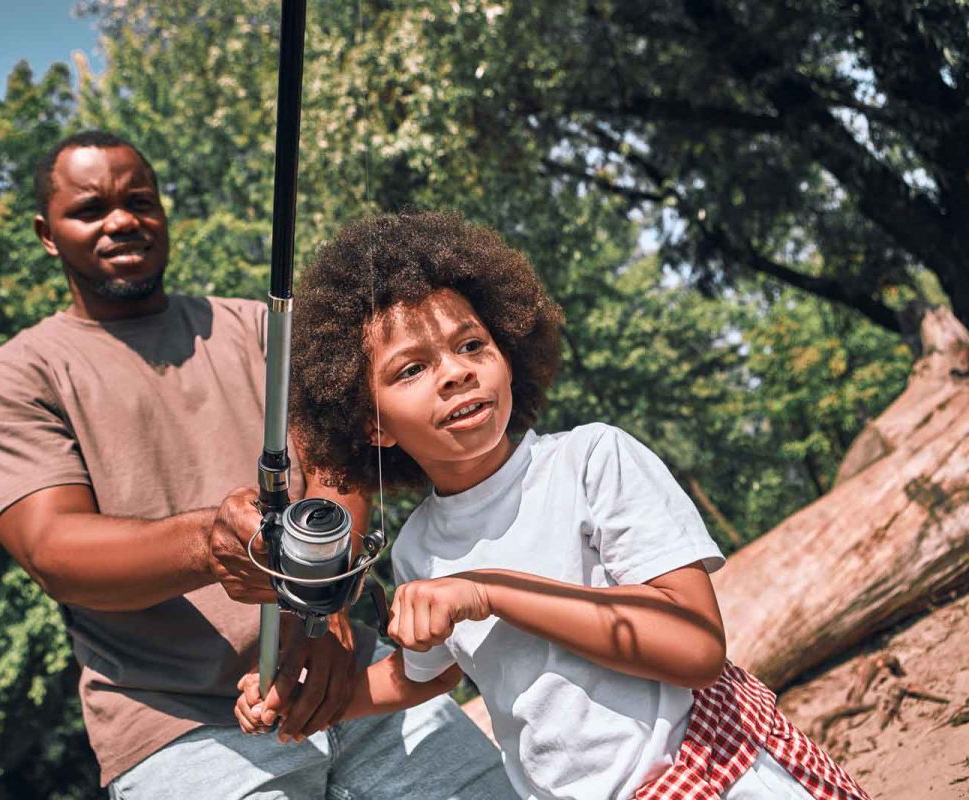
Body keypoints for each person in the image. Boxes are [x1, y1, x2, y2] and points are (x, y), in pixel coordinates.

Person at [235, 211, 871, 800]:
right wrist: (312, 702)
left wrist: (489, 590)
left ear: (509, 354)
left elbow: (695, 646)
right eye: (411, 370)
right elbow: (429, 674)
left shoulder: (593, 461)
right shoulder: (418, 547)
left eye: (471, 345)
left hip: (713, 773)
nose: (455, 373)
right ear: (373, 427)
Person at [0, 132, 513, 798]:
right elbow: (52, 548)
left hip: (352, 674)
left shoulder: (261, 327)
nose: (123, 220)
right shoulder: (12, 381)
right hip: (177, 728)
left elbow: (342, 463)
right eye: (91, 209)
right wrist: (206, 544)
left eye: (140, 201)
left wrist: (326, 608)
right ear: (48, 234)